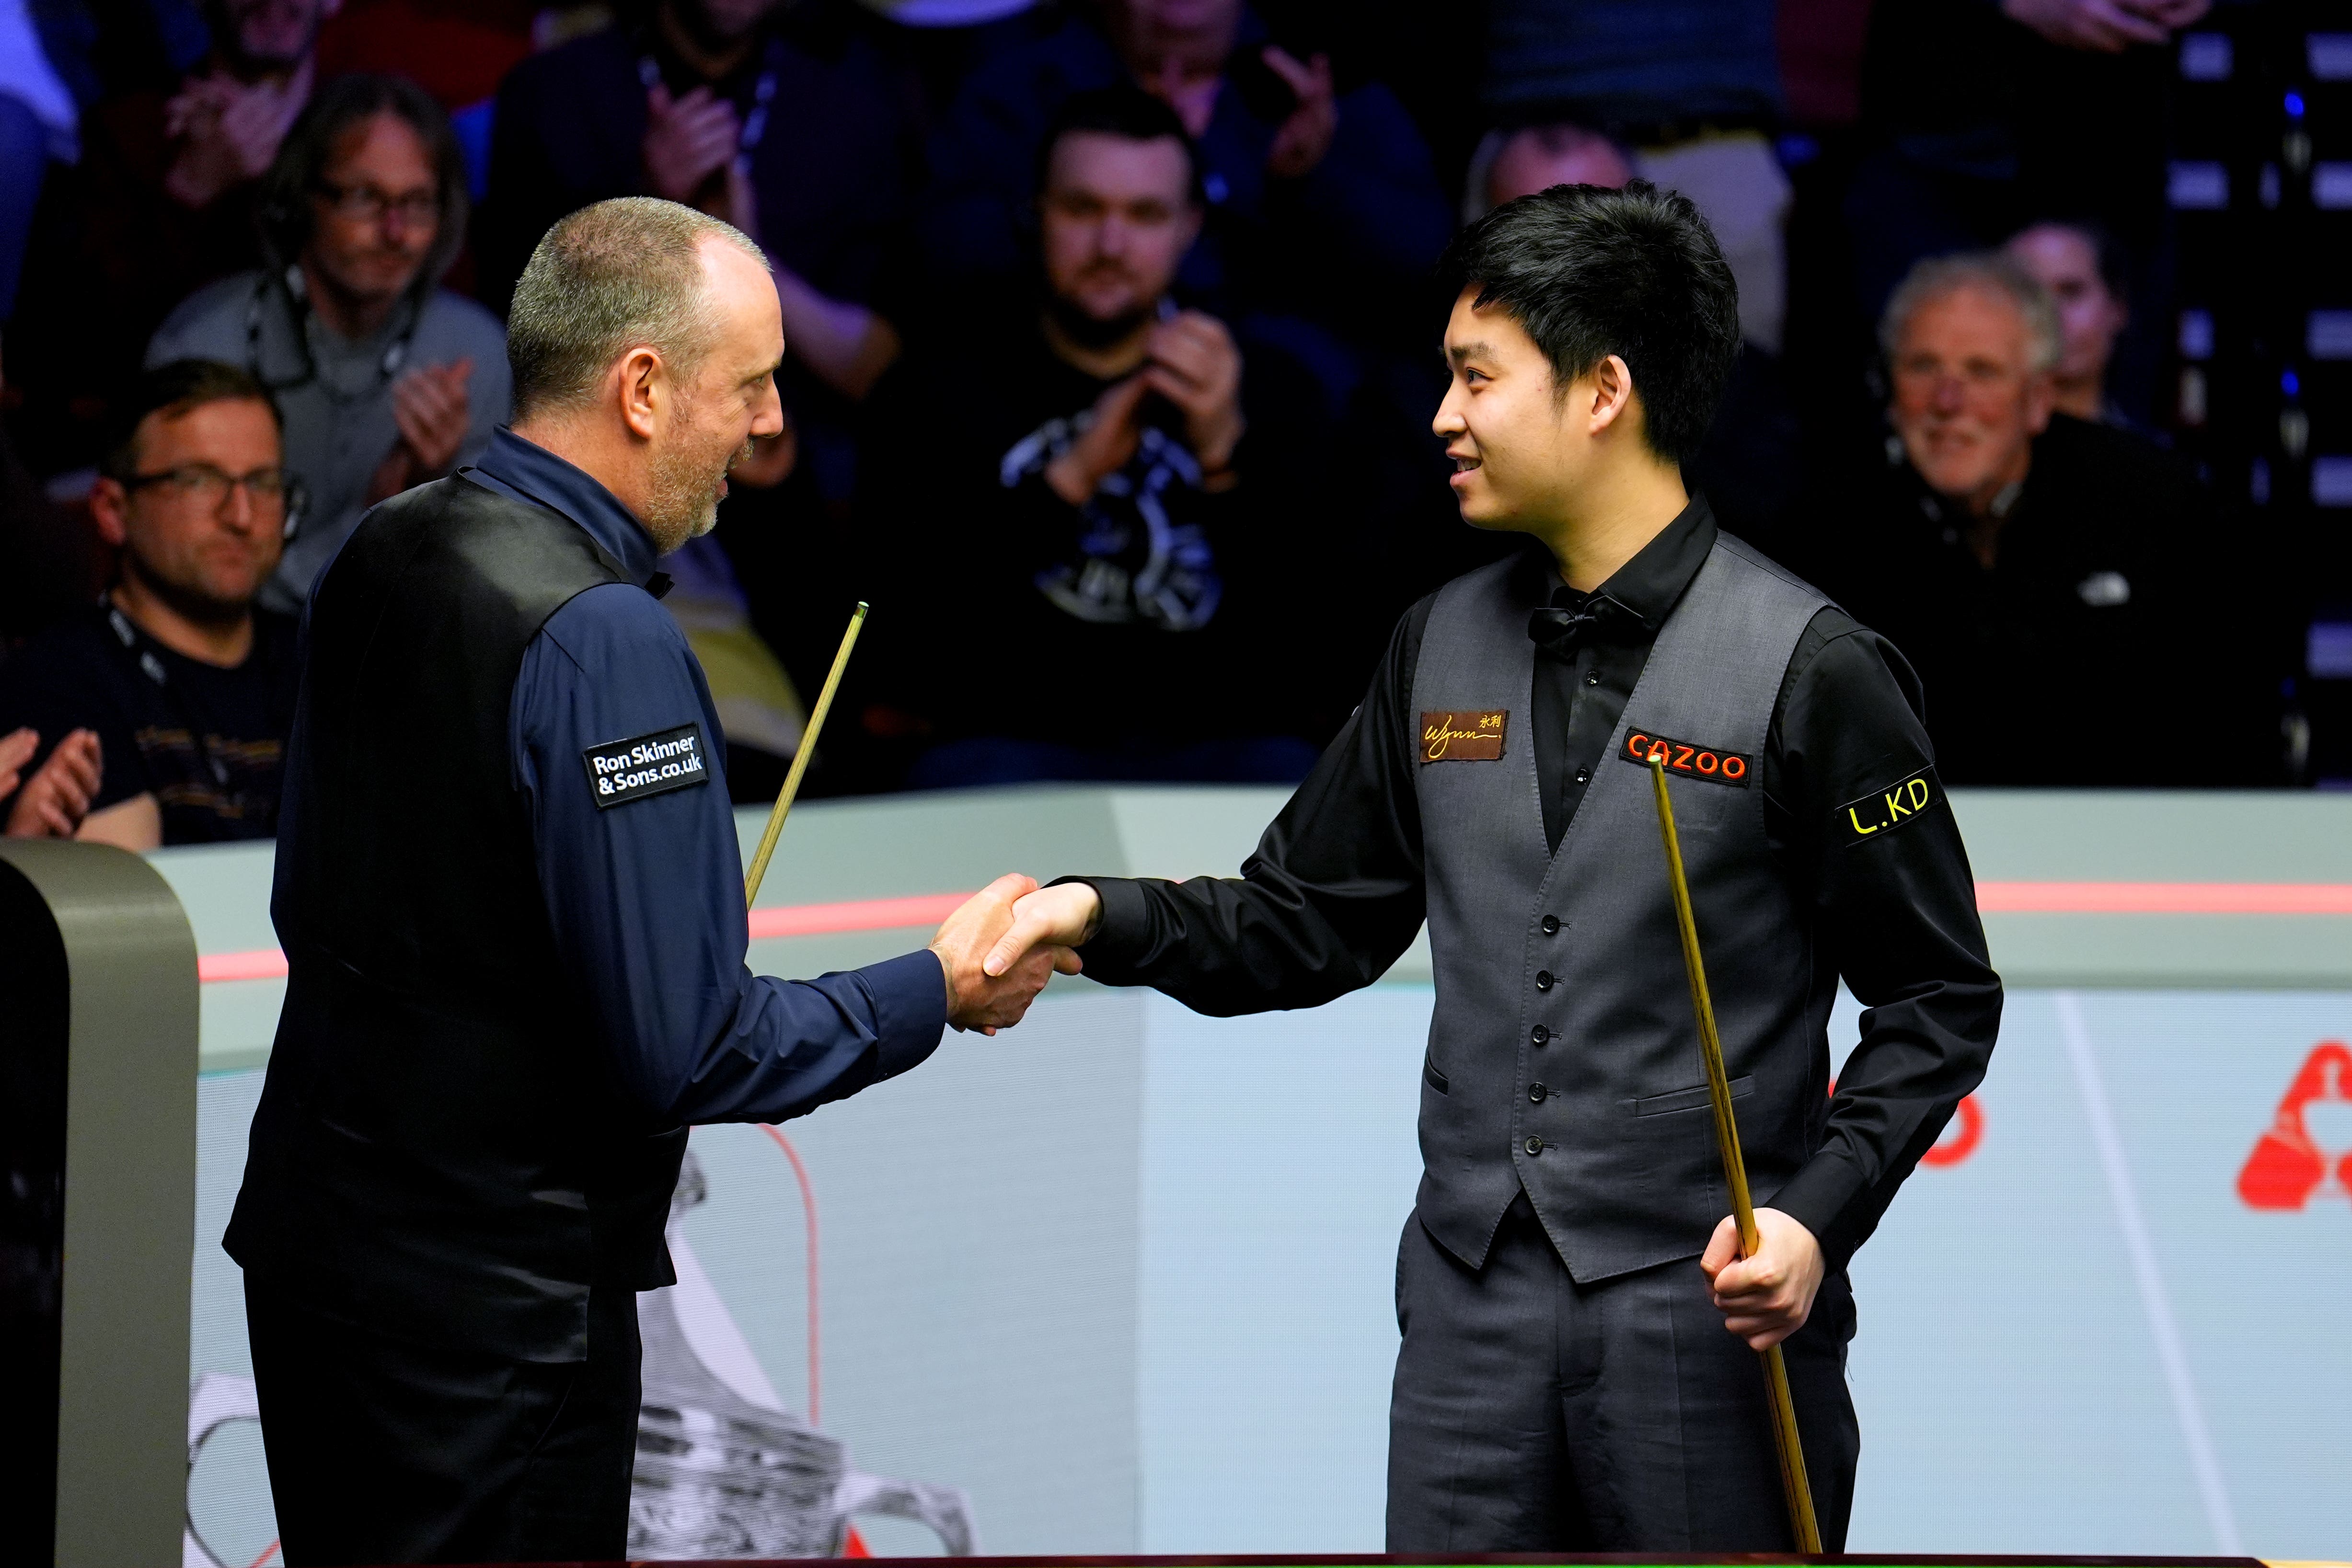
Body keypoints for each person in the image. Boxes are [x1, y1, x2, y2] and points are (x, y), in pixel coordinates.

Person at [979, 183, 2002, 1551]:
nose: (1440, 417)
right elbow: (1302, 923)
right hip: (1467, 1307)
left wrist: (1817, 1220)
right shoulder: (1433, 643)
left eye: (1475, 377)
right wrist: (1091, 915)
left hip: (1704, 1308)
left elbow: (1938, 999)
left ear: (1602, 393)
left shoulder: (1816, 669)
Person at [223, 196, 1070, 1568]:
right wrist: (940, 989)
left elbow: (310, 911)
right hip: (494, 1326)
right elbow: (685, 1047)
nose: (773, 421)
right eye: (750, 384)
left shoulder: (379, 547)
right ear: (638, 386)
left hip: (320, 1266)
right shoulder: (605, 638)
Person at [862, 86, 1330, 785]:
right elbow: (909, 652)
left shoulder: (1269, 388)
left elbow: (1315, 664)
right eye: (1084, 210)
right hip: (1011, 754)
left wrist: (1225, 455)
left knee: (1298, 778)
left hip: (1218, 754)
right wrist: (1067, 482)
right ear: (1037, 212)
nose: (1111, 246)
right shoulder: (937, 390)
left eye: (1145, 215)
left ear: (1190, 227)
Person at [1824, 251, 2273, 785]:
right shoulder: (1830, 530)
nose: (1948, 401)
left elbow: (2233, 730)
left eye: (1981, 371)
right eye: (1924, 367)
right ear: (1891, 392)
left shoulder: (2157, 507)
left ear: (2038, 398)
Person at [148, 73, 507, 614]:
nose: (394, 231)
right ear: (301, 199)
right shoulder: (205, 346)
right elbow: (198, 584)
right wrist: (378, 525)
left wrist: (436, 501)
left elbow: (482, 595)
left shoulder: (475, 354)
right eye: (365, 198)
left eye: (417, 204)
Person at [920, 0, 1451, 360]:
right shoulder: (1021, 88)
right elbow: (935, 263)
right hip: (1055, 397)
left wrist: (1312, 181)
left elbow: (1431, 267)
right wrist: (1106, 185)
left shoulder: (1319, 82)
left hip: (1299, 429)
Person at [0, 358, 298, 849]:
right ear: (113, 511)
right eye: (200, 481)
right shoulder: (59, 680)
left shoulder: (330, 664)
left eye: (264, 483)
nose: (242, 516)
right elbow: (132, 904)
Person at [2003, 218, 2141, 432]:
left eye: (2071, 292)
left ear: (2117, 309)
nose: (2051, 316)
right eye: (2029, 295)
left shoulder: (2151, 462)